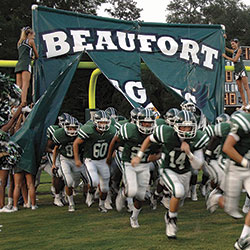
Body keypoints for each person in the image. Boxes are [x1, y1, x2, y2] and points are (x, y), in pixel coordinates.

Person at [131, 110, 209, 238]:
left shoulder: (199, 138)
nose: (186, 130)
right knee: (178, 191)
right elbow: (148, 140)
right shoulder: (166, 133)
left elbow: (198, 166)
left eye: (189, 127)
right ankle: (172, 222)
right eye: (183, 126)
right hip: (168, 169)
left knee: (180, 199)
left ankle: (169, 215)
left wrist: (189, 153)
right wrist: (139, 156)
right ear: (176, 126)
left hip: (185, 172)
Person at [106, 108, 159, 228]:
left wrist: (155, 157)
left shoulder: (156, 134)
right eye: (145, 122)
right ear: (138, 122)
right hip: (129, 162)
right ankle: (123, 193)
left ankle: (134, 218)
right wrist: (109, 156)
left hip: (144, 164)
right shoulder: (129, 130)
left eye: (150, 122)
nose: (147, 125)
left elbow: (161, 152)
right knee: (132, 190)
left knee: (140, 196)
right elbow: (115, 141)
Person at [73, 110, 116, 213]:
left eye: (105, 122)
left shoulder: (111, 131)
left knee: (105, 188)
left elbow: (114, 144)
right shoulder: (89, 130)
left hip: (103, 161)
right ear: (96, 122)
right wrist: (77, 159)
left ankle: (101, 205)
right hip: (90, 160)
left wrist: (111, 154)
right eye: (101, 122)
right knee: (94, 181)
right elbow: (76, 144)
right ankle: (90, 193)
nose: (103, 125)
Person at [15, 26, 39, 112]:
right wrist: (33, 57)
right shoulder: (30, 41)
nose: (34, 37)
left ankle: (16, 104)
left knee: (18, 86)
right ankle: (23, 103)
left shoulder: (20, 43)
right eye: (33, 35)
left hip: (19, 64)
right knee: (26, 84)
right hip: (26, 64)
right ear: (29, 34)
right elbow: (37, 55)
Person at [223, 37, 250, 110]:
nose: (232, 45)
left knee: (246, 87)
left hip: (241, 70)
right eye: (231, 44)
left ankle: (249, 103)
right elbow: (227, 49)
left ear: (237, 43)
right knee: (240, 88)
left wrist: (226, 57)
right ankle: (244, 103)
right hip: (236, 71)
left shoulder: (239, 50)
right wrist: (222, 40)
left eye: (233, 44)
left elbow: (235, 60)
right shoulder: (234, 51)